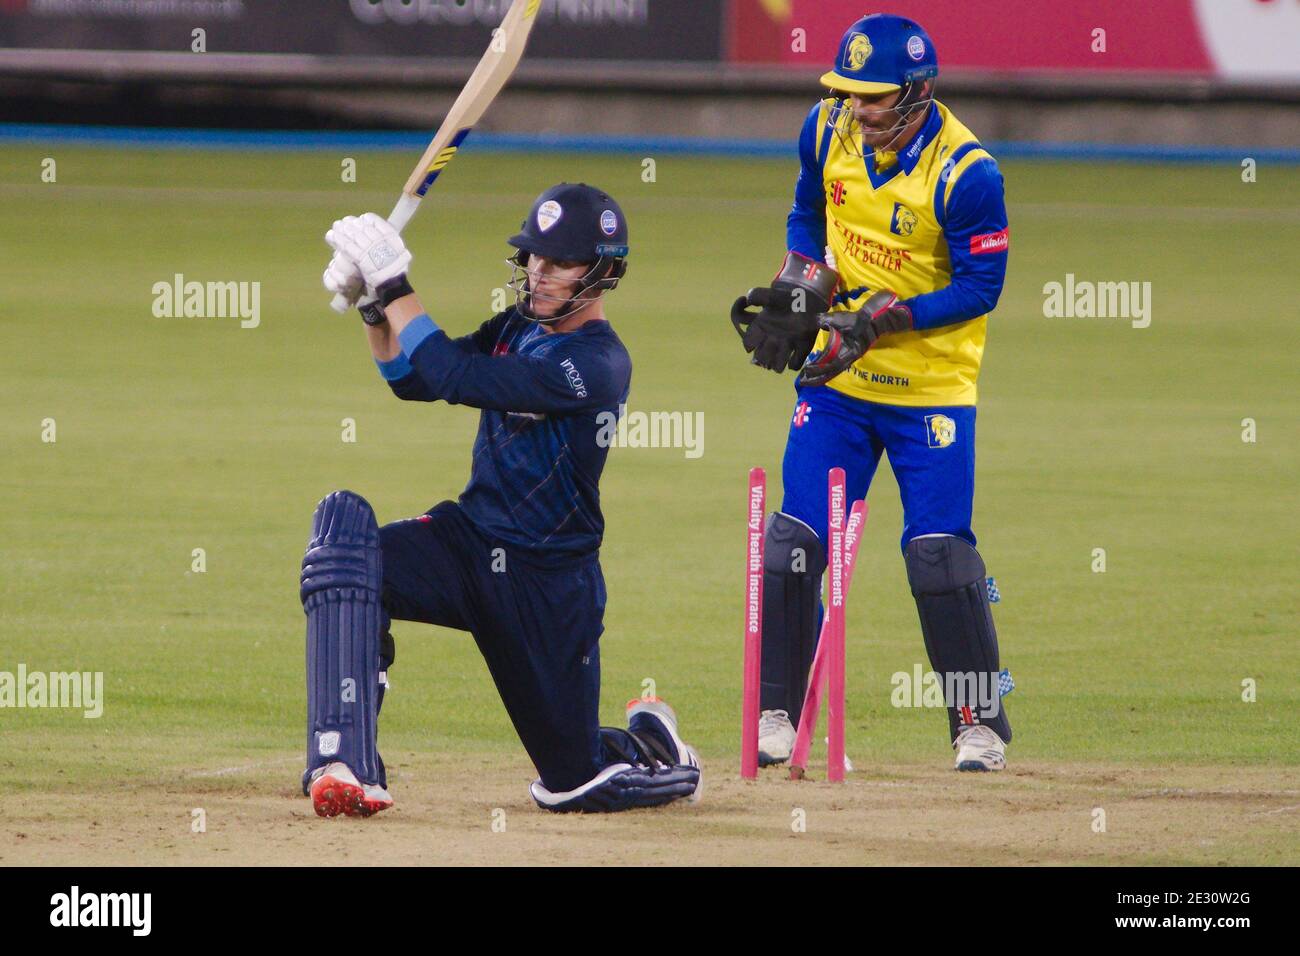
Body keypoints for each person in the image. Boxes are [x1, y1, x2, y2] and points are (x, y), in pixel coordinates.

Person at [300, 183, 702, 816]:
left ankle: (657, 744)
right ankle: (345, 760)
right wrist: (375, 308)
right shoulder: (516, 325)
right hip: (470, 543)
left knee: (574, 784)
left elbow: (459, 379)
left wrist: (396, 283)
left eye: (559, 262)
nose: (538, 273)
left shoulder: (598, 363)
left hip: (547, 582)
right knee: (345, 545)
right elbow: (416, 379)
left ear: (602, 273)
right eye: (534, 258)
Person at [730, 13, 1013, 771]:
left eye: (874, 98)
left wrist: (889, 321)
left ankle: (977, 723)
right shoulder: (826, 130)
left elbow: (983, 284)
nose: (858, 109)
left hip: (930, 390)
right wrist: (800, 283)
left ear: (918, 94)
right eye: (849, 94)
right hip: (841, 380)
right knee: (793, 545)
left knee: (938, 556)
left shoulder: (967, 171)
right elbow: (808, 210)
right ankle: (782, 713)